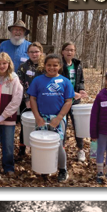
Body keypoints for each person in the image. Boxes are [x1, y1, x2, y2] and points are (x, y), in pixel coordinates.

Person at [27, 54, 75, 183]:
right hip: (41, 117)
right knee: (42, 143)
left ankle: (62, 169)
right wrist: (37, 117)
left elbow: (68, 101)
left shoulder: (65, 82)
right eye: (49, 65)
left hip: (57, 119)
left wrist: (59, 118)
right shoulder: (38, 80)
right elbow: (33, 98)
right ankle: (44, 167)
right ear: (45, 66)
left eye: (55, 65)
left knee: (58, 144)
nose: (52, 67)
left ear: (59, 66)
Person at [16, 42, 45, 159]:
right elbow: (20, 84)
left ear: (41, 52)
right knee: (25, 125)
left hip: (42, 100)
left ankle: (38, 148)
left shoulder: (45, 66)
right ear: (28, 53)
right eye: (31, 52)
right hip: (26, 101)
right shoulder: (23, 66)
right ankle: (22, 149)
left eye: (36, 51)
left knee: (40, 123)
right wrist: (26, 99)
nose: (34, 54)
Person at [61, 42, 89, 162]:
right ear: (62, 51)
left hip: (76, 102)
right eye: (67, 50)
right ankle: (61, 150)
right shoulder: (59, 65)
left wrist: (81, 89)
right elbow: (59, 83)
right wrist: (72, 93)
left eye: (72, 50)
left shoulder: (77, 64)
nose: (69, 52)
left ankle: (80, 149)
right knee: (62, 126)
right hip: (62, 101)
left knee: (79, 125)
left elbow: (80, 80)